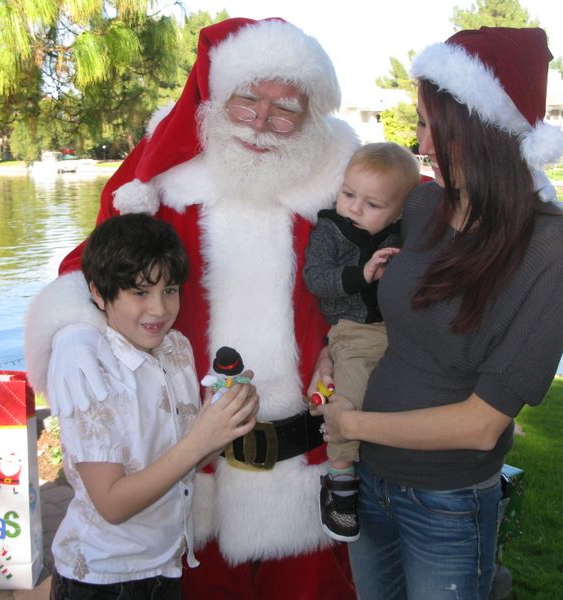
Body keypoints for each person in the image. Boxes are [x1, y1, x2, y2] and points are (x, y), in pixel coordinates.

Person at [24, 17, 360, 599]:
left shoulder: (343, 188)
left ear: (314, 116)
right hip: (191, 475)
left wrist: (341, 342)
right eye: (247, 100)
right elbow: (97, 272)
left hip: (306, 471)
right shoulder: (167, 183)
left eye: (286, 108)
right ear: (216, 96)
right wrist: (79, 347)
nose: (262, 122)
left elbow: (380, 284)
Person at [312, 27, 563, 599]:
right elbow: (381, 310)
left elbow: (482, 425)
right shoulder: (422, 205)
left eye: (439, 128)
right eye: (419, 123)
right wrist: (328, 357)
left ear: (487, 131)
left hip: (447, 501)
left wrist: (352, 425)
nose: (424, 144)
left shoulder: (550, 246)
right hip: (368, 481)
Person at [47, 213, 258, 597]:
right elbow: (111, 504)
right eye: (140, 293)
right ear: (98, 293)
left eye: (170, 290)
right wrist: (200, 440)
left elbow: (179, 454)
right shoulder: (89, 372)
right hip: (104, 577)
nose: (159, 310)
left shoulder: (177, 348)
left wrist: (224, 420)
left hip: (166, 562)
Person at [302, 142, 420, 542]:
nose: (353, 207)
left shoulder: (404, 233)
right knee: (347, 398)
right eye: (348, 194)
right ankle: (339, 483)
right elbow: (315, 278)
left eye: (372, 204)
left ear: (399, 211)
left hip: (401, 330)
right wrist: (362, 273)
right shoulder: (330, 231)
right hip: (352, 332)